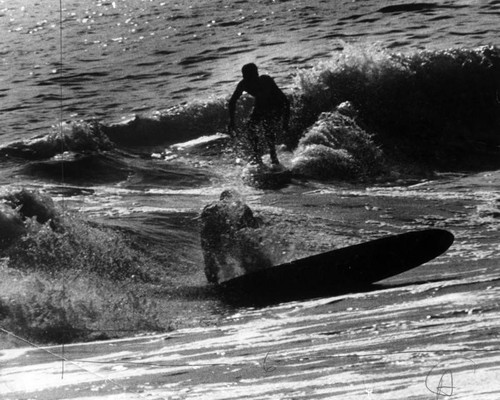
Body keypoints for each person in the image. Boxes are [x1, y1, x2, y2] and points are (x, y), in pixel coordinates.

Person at [228, 63, 290, 165]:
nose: (247, 79)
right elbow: (232, 101)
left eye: (250, 76)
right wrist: (232, 121)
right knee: (250, 127)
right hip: (261, 105)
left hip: (276, 104)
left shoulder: (266, 80)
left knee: (267, 127)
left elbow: (285, 101)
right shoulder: (244, 84)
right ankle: (257, 155)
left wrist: (285, 121)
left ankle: (273, 157)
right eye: (245, 76)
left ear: (256, 74)